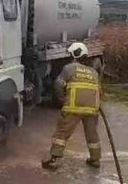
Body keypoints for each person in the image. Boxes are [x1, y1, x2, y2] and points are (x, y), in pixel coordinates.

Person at [42, 42, 102, 171]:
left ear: (75, 54)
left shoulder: (69, 68)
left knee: (62, 133)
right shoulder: (93, 72)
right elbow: (98, 90)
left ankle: (54, 160)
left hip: (73, 107)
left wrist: (62, 99)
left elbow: (58, 85)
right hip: (92, 108)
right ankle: (95, 159)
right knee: (92, 134)